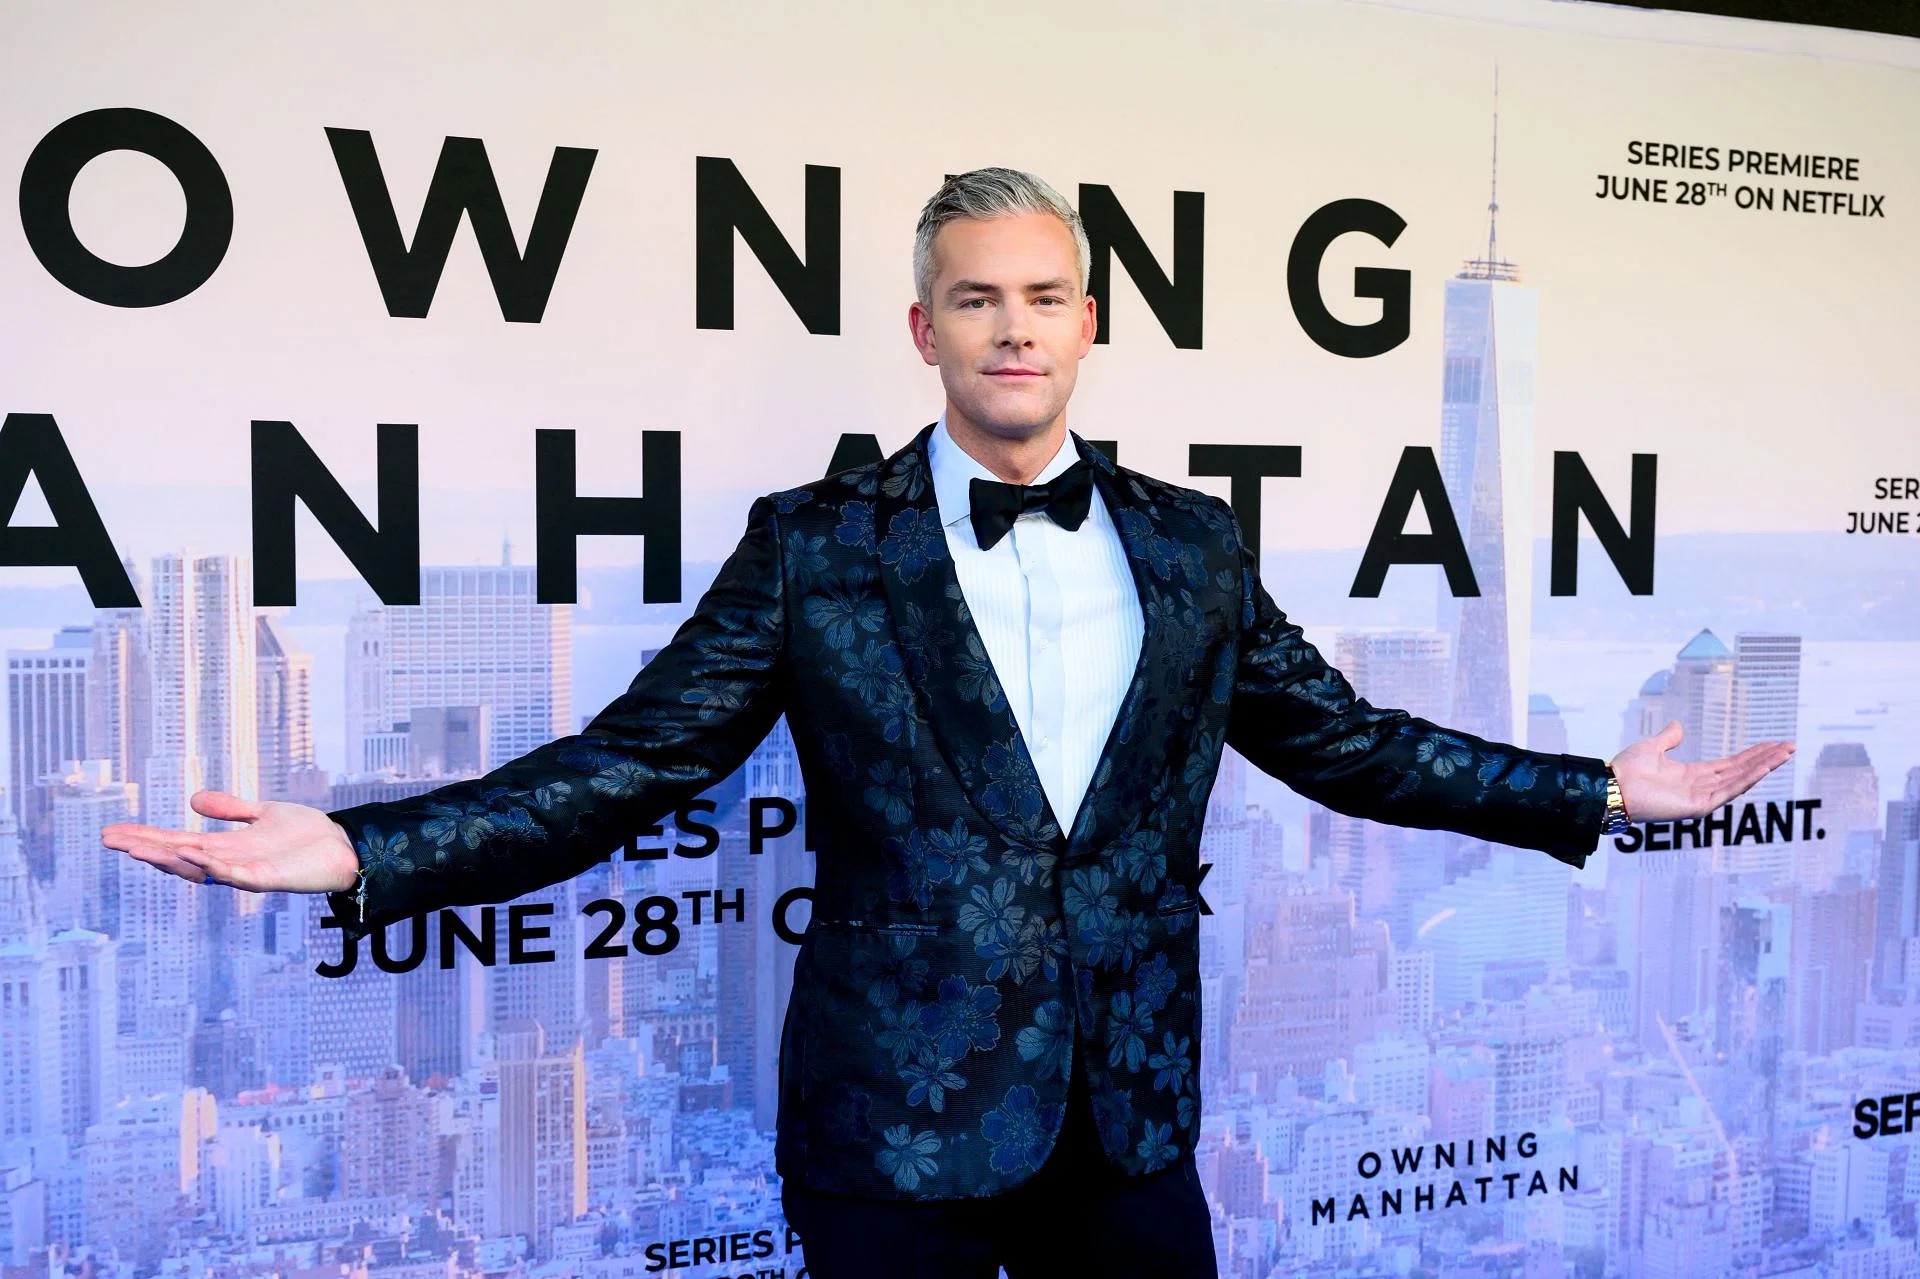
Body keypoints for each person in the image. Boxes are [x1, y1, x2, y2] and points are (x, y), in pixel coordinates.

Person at [104, 168, 1791, 1278]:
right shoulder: (814, 549)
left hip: (1129, 1131)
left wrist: (1596, 788)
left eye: (1046, 295)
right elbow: (634, 763)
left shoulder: (1194, 549)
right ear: (926, 329)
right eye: (977, 298)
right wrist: (360, 847)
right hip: (888, 1135)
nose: (1014, 326)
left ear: (1091, 324)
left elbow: (1351, 743)